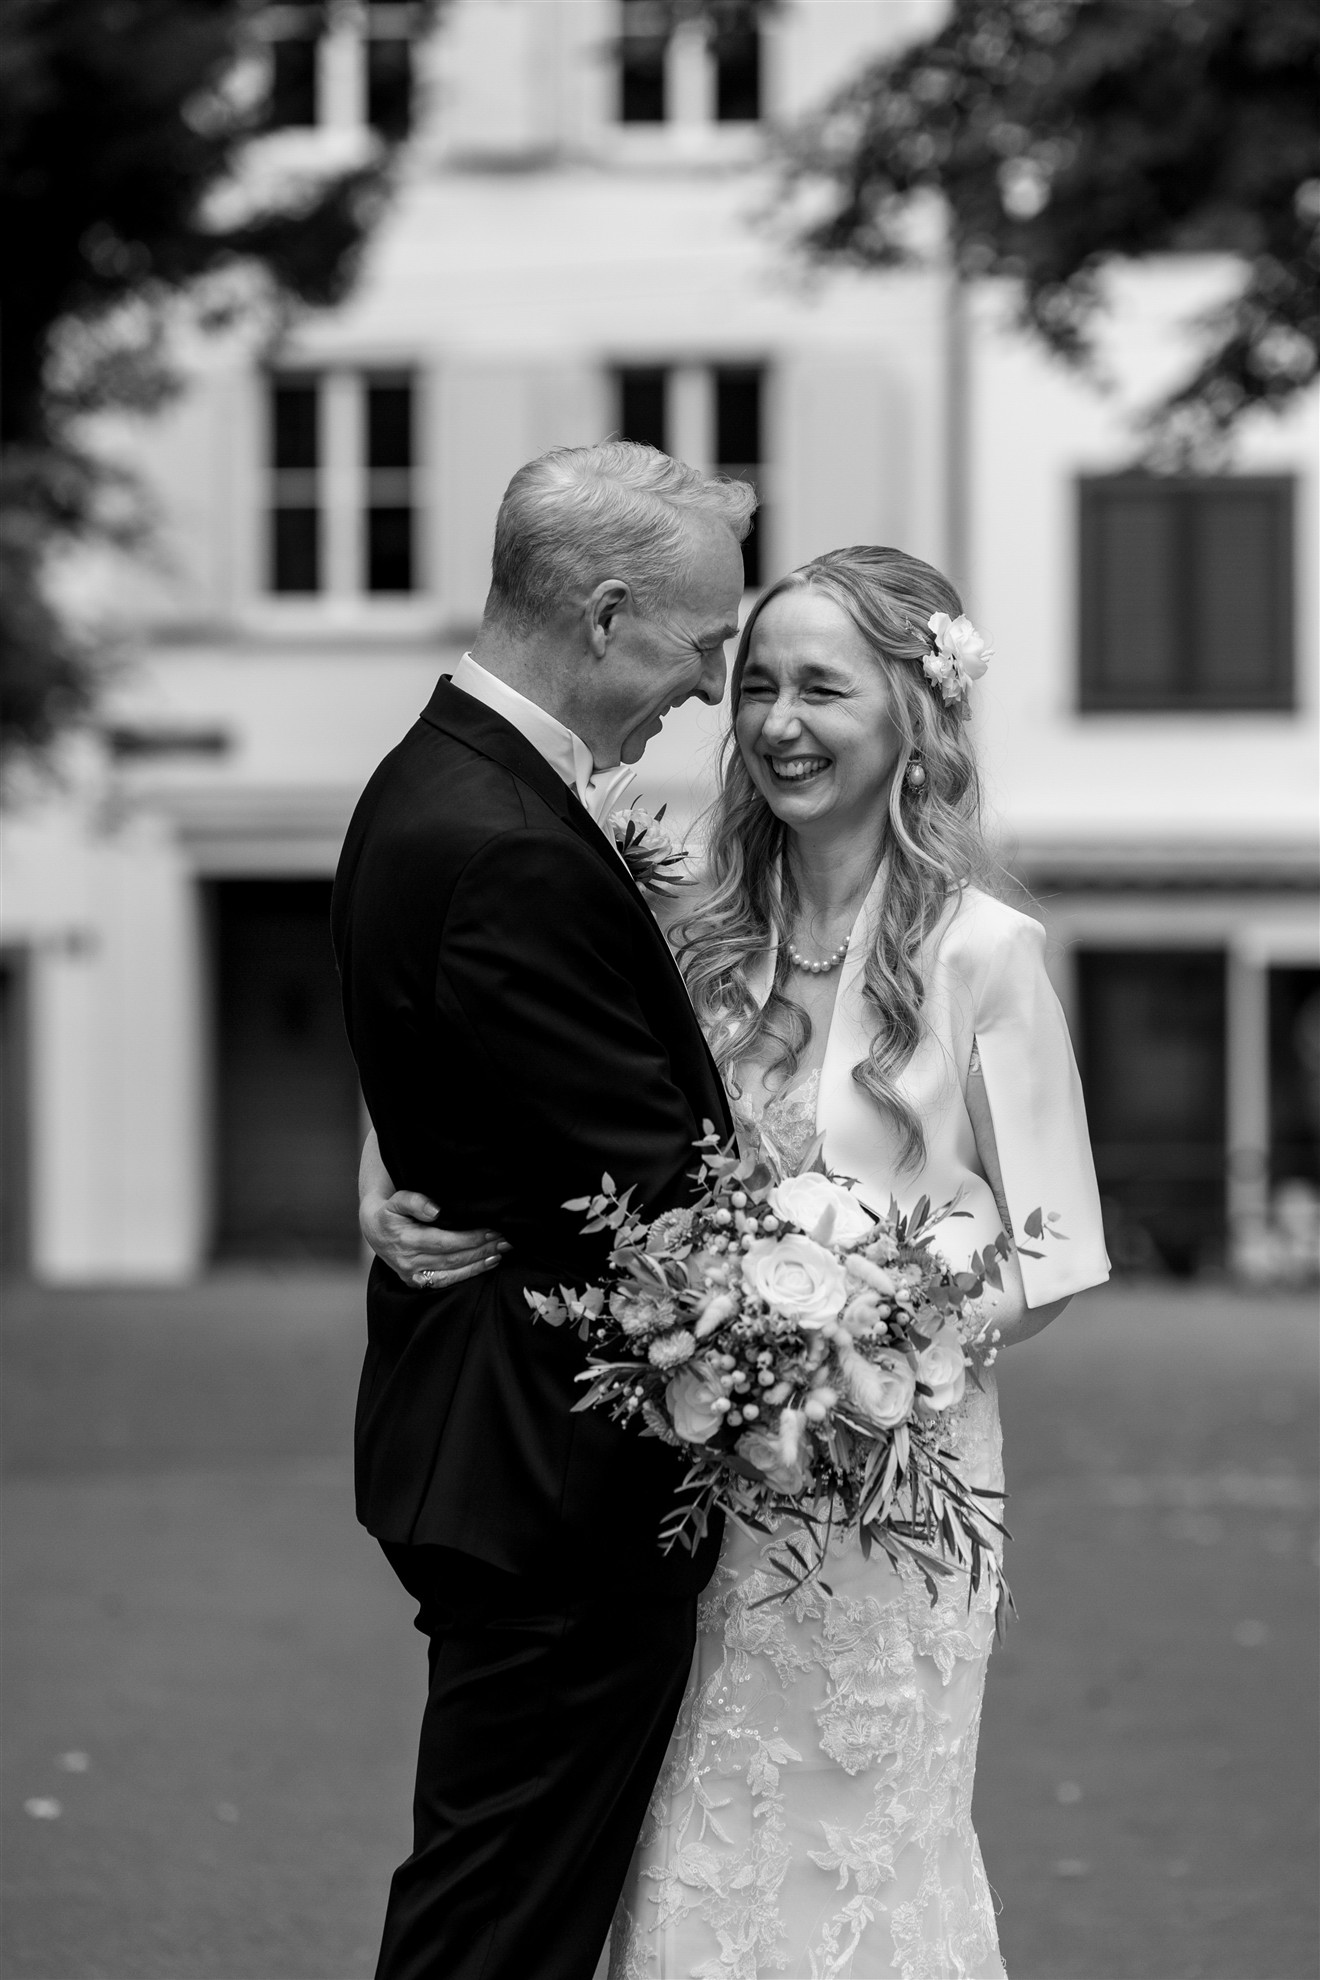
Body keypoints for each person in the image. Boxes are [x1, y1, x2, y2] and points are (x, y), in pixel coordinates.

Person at [362, 545, 1111, 1979]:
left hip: (894, 1486)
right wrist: (387, 1177)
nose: (776, 721)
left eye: (823, 688)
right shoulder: (688, 933)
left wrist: (876, 1355)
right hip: (689, 1480)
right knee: (687, 1846)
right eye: (755, 683)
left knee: (853, 1845)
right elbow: (505, 1064)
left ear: (914, 714)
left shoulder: (985, 956)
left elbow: (1059, 1248)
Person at [332, 440, 753, 1980]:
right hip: (553, 1471)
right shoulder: (501, 839)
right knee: (499, 1924)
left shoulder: (446, 783)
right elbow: (646, 1188)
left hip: (492, 1440)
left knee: (505, 1895)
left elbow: (461, 1086)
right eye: (704, 644)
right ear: (607, 615)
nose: (711, 687)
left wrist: (389, 1172)